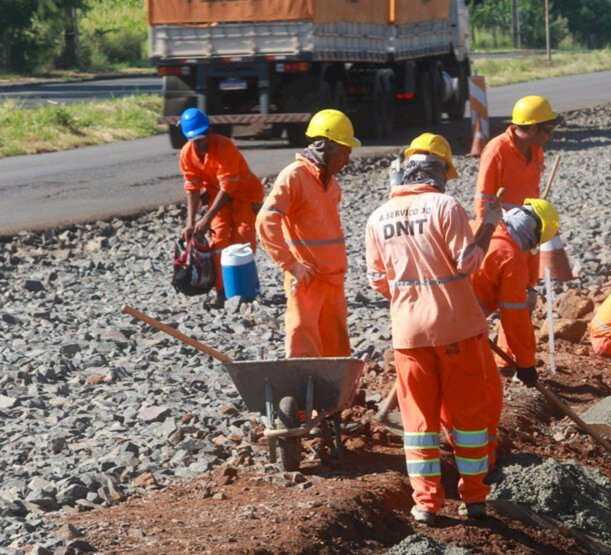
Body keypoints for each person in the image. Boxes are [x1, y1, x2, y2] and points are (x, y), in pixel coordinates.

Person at [365, 133, 504, 525]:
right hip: (456, 330)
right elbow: (468, 262)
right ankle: (474, 497)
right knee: (469, 418)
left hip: (408, 336)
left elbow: (379, 281)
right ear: (440, 172)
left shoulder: (377, 218)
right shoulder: (445, 206)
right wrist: (489, 224)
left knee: (419, 425)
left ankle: (426, 503)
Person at [256, 109, 358, 358]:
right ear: (329, 146)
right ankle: (304, 393)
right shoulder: (294, 177)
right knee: (304, 340)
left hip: (333, 279)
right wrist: (291, 265)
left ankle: (337, 394)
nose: (347, 160)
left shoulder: (331, 183)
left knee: (336, 345)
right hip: (307, 280)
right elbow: (265, 220)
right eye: (345, 152)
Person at [471, 197, 560, 467]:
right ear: (533, 235)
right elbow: (515, 317)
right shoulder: (510, 256)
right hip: (461, 324)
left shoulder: (485, 227)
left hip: (435, 312)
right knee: (487, 392)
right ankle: (482, 463)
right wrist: (526, 363)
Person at [176, 108, 264, 307]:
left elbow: (228, 188)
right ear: (188, 138)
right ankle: (223, 291)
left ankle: (245, 291)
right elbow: (192, 189)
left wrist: (206, 219)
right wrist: (190, 224)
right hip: (219, 199)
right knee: (219, 242)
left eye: (205, 135)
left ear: (210, 129)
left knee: (243, 241)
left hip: (244, 196)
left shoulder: (225, 147)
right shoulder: (186, 155)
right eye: (196, 139)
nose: (202, 141)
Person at [474, 95, 559, 284]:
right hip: (504, 232)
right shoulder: (497, 150)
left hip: (529, 230)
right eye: (548, 130)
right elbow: (483, 200)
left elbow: (533, 190)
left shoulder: (536, 149)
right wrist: (488, 239)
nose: (550, 135)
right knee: (504, 285)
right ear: (533, 128)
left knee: (527, 284)